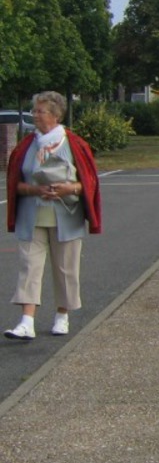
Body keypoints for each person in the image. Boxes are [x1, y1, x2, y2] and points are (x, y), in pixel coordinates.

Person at [4, 91, 101, 341]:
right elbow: (15, 184)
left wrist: (70, 188)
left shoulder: (75, 144)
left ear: (55, 115)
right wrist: (35, 190)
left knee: (66, 268)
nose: (35, 115)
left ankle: (62, 316)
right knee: (29, 267)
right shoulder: (25, 146)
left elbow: (89, 183)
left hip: (66, 216)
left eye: (40, 111)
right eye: (34, 110)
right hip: (31, 216)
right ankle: (27, 322)